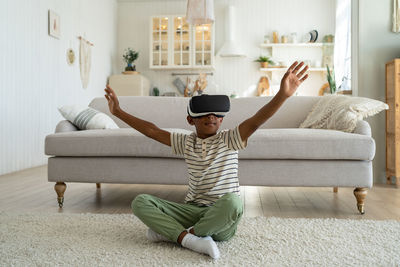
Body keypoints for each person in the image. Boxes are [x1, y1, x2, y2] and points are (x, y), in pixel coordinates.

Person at [104, 61, 308, 259]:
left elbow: (256, 121)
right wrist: (118, 112)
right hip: (192, 210)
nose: (211, 116)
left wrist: (282, 95)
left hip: (221, 219)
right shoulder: (185, 142)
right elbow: (152, 131)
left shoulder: (230, 139)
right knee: (141, 202)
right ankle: (190, 238)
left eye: (216, 114)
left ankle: (178, 234)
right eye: (204, 114)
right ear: (190, 120)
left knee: (234, 203)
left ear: (221, 119)